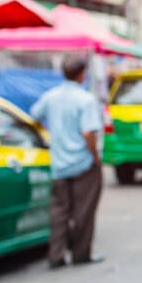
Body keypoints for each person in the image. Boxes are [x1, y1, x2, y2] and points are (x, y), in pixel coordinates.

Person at [30, 56, 105, 269]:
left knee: (59, 212)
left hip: (60, 164)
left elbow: (34, 116)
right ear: (82, 74)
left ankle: (56, 255)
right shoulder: (85, 100)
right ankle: (81, 254)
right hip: (83, 163)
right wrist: (96, 158)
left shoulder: (51, 97)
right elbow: (88, 132)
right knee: (83, 212)